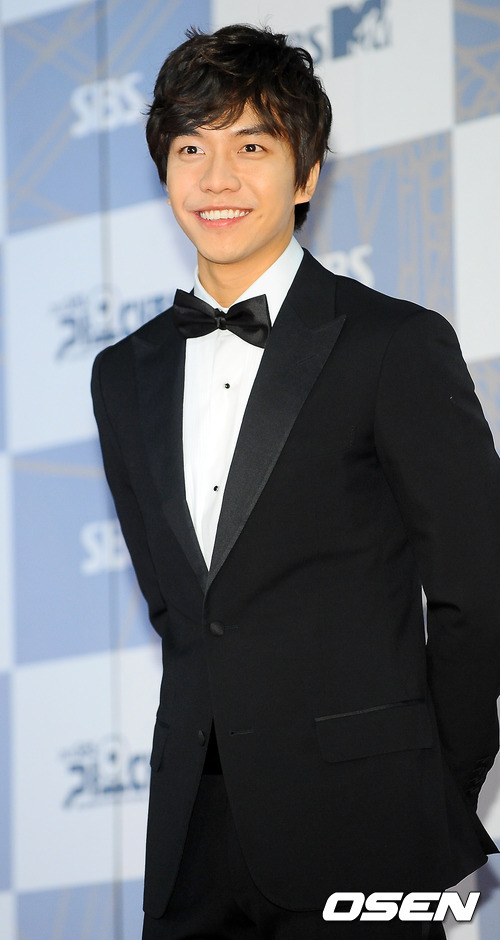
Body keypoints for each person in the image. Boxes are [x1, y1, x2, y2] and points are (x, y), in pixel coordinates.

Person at [91, 23, 500, 940]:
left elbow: (480, 592)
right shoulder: (123, 374)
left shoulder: (394, 343)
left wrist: (435, 790)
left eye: (251, 147)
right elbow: (179, 609)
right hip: (191, 843)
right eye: (191, 148)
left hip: (367, 827)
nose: (217, 178)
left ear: (306, 175)